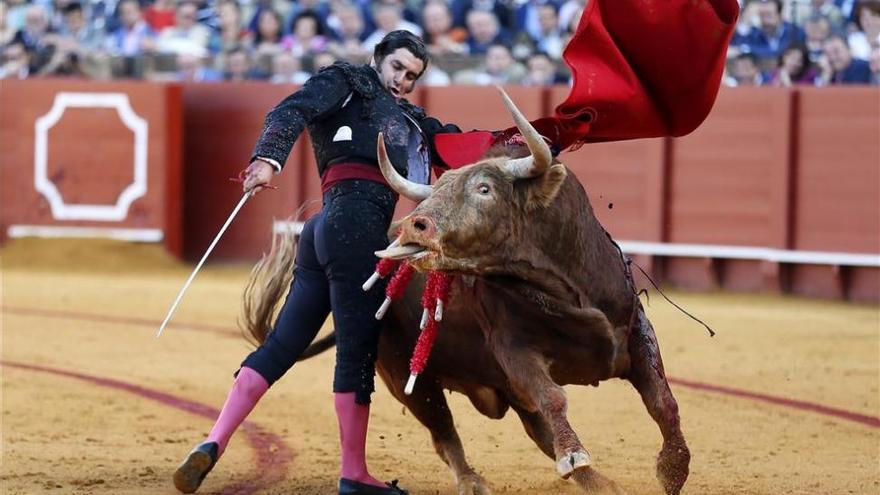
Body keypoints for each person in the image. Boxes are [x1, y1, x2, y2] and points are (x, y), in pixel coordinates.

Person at [173, 30, 460, 495]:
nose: (402, 81)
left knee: (282, 345)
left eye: (412, 76)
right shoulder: (348, 82)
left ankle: (213, 442)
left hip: (321, 233)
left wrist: (547, 135)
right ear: (377, 58)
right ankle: (353, 474)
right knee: (357, 350)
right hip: (355, 232)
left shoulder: (415, 120)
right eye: (397, 69)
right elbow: (291, 110)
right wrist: (268, 158)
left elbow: (463, 147)